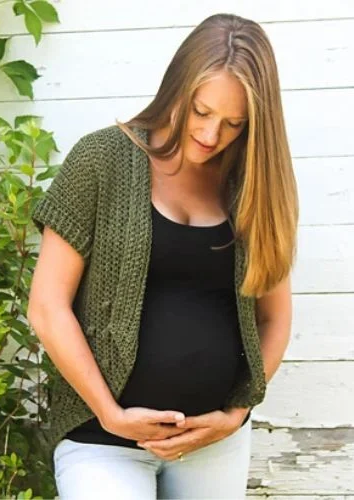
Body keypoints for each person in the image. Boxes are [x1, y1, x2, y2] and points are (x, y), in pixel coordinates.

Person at [27, 13, 297, 499]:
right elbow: (47, 306)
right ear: (178, 85)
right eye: (201, 111)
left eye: (234, 123)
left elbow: (275, 317)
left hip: (214, 443)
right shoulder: (102, 159)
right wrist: (111, 412)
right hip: (103, 437)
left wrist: (236, 413)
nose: (212, 135)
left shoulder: (253, 186)